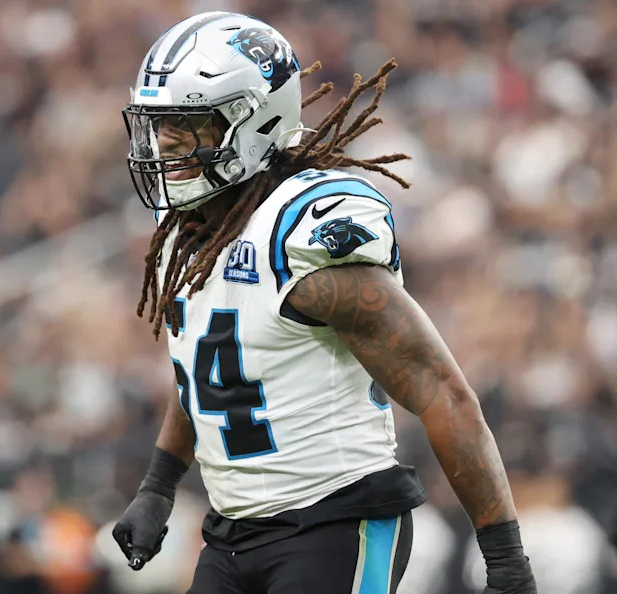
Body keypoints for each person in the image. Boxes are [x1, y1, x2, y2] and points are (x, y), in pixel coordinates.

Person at [112, 12, 537, 594]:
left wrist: (507, 560)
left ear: (252, 123)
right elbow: (211, 368)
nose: (164, 148)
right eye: (158, 128)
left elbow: (440, 388)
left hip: (337, 520)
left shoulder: (301, 236)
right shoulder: (185, 234)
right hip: (232, 533)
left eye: (185, 128)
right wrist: (159, 485)